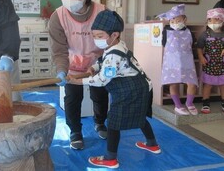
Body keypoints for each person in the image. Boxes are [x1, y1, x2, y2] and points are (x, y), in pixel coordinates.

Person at [68, 10, 161, 169]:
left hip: (131, 90)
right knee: (139, 116)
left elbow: (101, 80)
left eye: (100, 36)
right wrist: (94, 66)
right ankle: (152, 144)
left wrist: (77, 81)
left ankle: (110, 159)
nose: (96, 39)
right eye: (94, 35)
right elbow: (104, 61)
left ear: (114, 35)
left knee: (113, 122)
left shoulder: (114, 55)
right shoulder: (117, 45)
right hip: (140, 86)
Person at [48, 0, 109, 150]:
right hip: (72, 64)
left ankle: (100, 122)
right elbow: (59, 49)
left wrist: (103, 64)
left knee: (100, 95)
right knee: (72, 98)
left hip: (97, 63)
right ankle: (75, 131)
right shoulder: (57, 17)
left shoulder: (102, 12)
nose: (69, 0)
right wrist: (61, 70)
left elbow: (110, 41)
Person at [157, 4, 198, 115]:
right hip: (171, 60)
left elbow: (192, 44)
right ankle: (178, 105)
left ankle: (189, 103)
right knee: (173, 82)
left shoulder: (189, 31)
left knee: (192, 83)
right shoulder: (166, 31)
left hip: (187, 60)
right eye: (172, 20)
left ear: (184, 19)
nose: (175, 22)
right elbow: (164, 45)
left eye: (178, 19)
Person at [197, 8, 224, 114]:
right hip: (209, 63)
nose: (212, 22)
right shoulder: (205, 34)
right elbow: (199, 47)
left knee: (223, 85)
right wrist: (201, 57)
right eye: (210, 20)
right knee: (208, 84)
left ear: (223, 21)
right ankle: (205, 104)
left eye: (216, 20)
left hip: (223, 64)